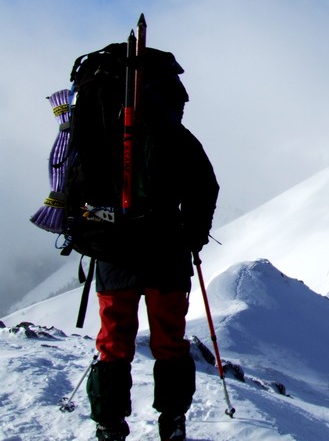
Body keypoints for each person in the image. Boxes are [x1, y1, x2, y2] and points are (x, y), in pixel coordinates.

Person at [86, 73, 219, 441]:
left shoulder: (101, 129)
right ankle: (172, 423)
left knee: (113, 341)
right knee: (169, 342)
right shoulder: (179, 137)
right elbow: (205, 187)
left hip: (114, 251)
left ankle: (109, 426)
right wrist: (191, 238)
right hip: (166, 252)